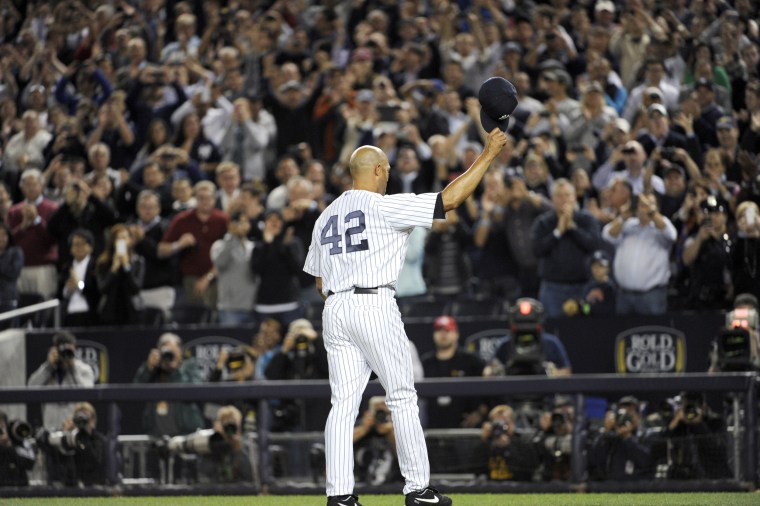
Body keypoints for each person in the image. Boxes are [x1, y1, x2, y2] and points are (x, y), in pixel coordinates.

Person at [303, 76, 512, 504]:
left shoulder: (324, 215)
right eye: (387, 169)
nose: (389, 175)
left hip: (335, 309)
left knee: (343, 404)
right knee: (400, 395)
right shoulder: (383, 205)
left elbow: (319, 280)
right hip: (373, 303)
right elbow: (448, 200)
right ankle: (418, 489)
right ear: (377, 171)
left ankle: (340, 496)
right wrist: (489, 155)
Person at [602, 193, 677, 315]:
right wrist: (622, 217)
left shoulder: (661, 227)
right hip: (624, 294)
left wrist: (651, 212)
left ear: (656, 208)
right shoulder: (627, 225)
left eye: (649, 204)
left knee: (653, 330)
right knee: (622, 332)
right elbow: (607, 235)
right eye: (641, 205)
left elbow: (672, 235)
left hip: (652, 295)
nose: (645, 208)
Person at [27, 331, 95, 430]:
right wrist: (48, 366)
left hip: (75, 429)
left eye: (69, 350)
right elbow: (30, 388)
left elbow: (88, 395)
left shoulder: (84, 370)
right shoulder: (48, 369)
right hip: (50, 430)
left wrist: (73, 368)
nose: (65, 354)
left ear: (75, 349)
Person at [471, 404, 539, 481]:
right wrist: (485, 441)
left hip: (517, 485)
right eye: (497, 423)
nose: (501, 427)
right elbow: (474, 469)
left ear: (513, 423)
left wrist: (509, 446)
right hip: (491, 486)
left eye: (505, 422)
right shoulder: (487, 443)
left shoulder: (523, 441)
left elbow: (528, 470)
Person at [0, 410, 36, 487]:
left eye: (2, 427)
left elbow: (30, 464)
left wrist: (10, 447)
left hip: (18, 486)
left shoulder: (17, 439)